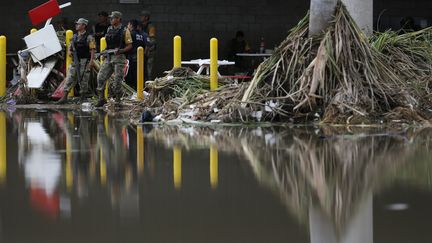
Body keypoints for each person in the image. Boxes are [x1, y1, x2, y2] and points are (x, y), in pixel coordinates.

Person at [95, 11, 133, 107]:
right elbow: (109, 44)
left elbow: (130, 46)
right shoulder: (109, 29)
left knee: (117, 81)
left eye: (113, 18)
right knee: (100, 77)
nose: (111, 19)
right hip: (109, 56)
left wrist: (121, 50)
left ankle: (118, 100)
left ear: (118, 19)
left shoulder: (125, 30)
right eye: (110, 18)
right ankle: (101, 99)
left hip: (119, 58)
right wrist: (104, 51)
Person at [56, 18, 96, 104]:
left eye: (79, 24)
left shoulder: (89, 37)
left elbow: (92, 49)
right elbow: (70, 47)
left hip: (84, 61)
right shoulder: (74, 36)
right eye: (77, 24)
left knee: (83, 79)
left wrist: (91, 61)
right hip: (75, 61)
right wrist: (70, 51)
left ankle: (82, 97)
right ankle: (64, 97)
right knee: (70, 77)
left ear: (84, 26)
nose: (76, 25)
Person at [126, 20, 149, 90]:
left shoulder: (130, 34)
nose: (127, 26)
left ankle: (134, 91)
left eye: (128, 25)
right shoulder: (142, 34)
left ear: (131, 25)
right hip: (141, 58)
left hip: (132, 59)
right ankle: (142, 90)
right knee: (141, 75)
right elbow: (148, 45)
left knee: (131, 77)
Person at [140, 10, 156, 80]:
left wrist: (147, 48)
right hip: (141, 50)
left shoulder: (150, 26)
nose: (141, 17)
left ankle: (148, 87)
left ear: (146, 17)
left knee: (148, 70)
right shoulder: (141, 25)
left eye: (142, 16)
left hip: (149, 51)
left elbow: (152, 40)